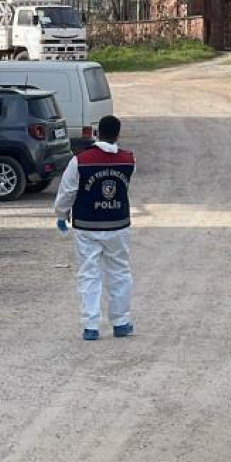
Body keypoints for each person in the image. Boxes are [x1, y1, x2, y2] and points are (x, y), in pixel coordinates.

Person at [53, 115, 135, 341]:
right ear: (118, 134)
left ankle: (91, 325)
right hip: (118, 224)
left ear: (97, 134)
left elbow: (68, 191)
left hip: (87, 226)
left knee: (89, 274)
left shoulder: (80, 160)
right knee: (119, 272)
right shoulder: (128, 160)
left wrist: (61, 214)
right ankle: (121, 322)